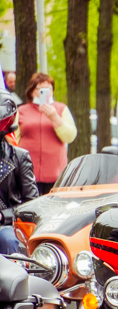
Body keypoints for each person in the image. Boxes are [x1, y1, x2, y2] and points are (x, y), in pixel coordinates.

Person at [17, 73, 77, 195]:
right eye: (40, 90)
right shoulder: (22, 111)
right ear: (32, 92)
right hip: (27, 173)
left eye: (48, 89)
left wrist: (54, 117)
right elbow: (13, 138)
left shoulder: (61, 109)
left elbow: (70, 136)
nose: (45, 93)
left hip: (55, 174)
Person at [0, 90, 37, 253]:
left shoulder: (19, 157)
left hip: (6, 225)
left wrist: (3, 215)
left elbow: (32, 203)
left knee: (8, 240)